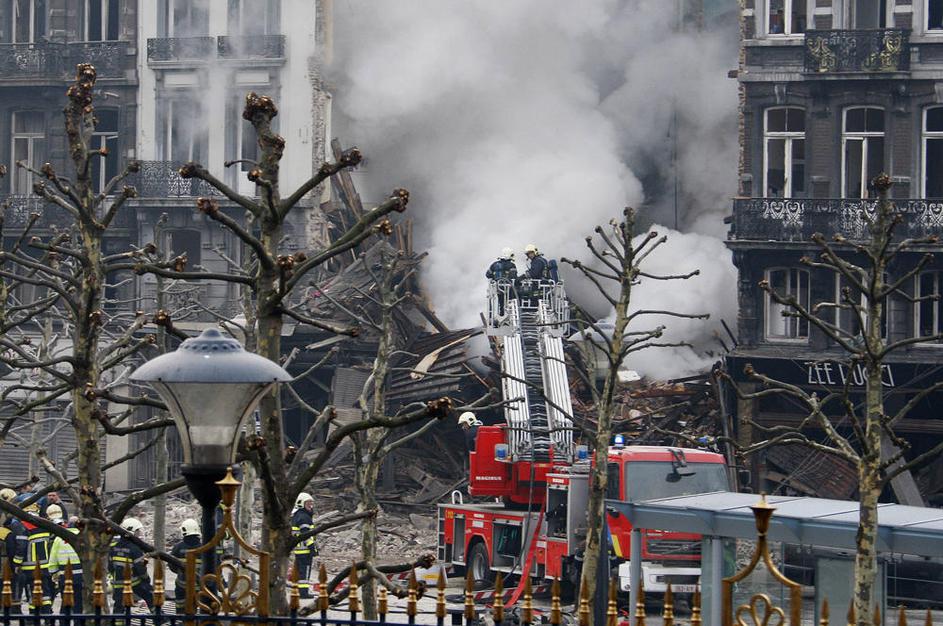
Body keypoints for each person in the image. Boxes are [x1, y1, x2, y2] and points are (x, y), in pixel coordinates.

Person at [109, 517, 154, 611]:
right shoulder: (135, 549)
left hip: (118, 583)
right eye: (137, 531)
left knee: (118, 607)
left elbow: (110, 566)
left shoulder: (113, 547)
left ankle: (118, 619)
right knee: (150, 596)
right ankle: (158, 616)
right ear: (132, 532)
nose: (139, 534)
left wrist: (115, 576)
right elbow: (141, 569)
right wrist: (146, 579)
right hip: (134, 582)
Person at [19, 501, 54, 614]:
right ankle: (47, 614)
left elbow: (22, 546)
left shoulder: (23, 526)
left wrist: (16, 562)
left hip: (30, 568)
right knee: (45, 592)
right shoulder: (45, 525)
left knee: (32, 591)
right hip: (45, 566)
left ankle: (33, 615)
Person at [48, 512, 81, 607]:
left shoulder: (59, 538)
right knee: (78, 602)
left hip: (64, 575)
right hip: (80, 576)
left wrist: (53, 573)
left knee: (66, 602)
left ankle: (66, 616)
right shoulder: (83, 536)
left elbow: (53, 559)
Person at [169, 519, 202, 613]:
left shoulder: (177, 548)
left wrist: (180, 572)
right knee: (200, 608)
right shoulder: (204, 547)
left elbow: (172, 566)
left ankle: (180, 618)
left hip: (181, 585)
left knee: (180, 606)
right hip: (199, 586)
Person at [291, 493, 316, 599]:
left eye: (311, 503)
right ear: (301, 503)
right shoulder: (304, 517)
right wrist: (312, 548)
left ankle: (299, 590)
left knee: (300, 571)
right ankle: (304, 593)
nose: (311, 505)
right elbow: (306, 534)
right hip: (305, 550)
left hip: (299, 550)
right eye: (308, 503)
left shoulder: (297, 516)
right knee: (305, 572)